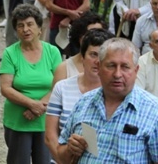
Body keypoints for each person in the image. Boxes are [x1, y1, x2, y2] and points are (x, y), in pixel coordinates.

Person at [57, 38, 158, 164]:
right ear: (99, 67)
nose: (117, 74)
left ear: (136, 71)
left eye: (125, 67)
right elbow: (61, 156)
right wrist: (70, 149)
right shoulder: (83, 103)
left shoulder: (156, 112)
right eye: (111, 66)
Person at [0, 4, 62, 164]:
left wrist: (38, 108)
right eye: (20, 26)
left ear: (39, 28)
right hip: (18, 120)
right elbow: (5, 88)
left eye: (29, 24)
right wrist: (31, 104)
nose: (25, 29)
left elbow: (59, 84)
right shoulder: (10, 53)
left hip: (46, 121)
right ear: (16, 30)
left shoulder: (53, 51)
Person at [45, 28, 114, 162]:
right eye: (93, 54)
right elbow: (50, 136)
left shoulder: (116, 92)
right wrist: (63, 160)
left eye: (102, 55)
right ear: (82, 57)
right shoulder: (62, 88)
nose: (97, 61)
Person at [52, 12, 107, 84]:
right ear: (79, 36)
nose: (94, 38)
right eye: (89, 34)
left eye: (99, 34)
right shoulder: (64, 68)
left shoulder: (110, 67)